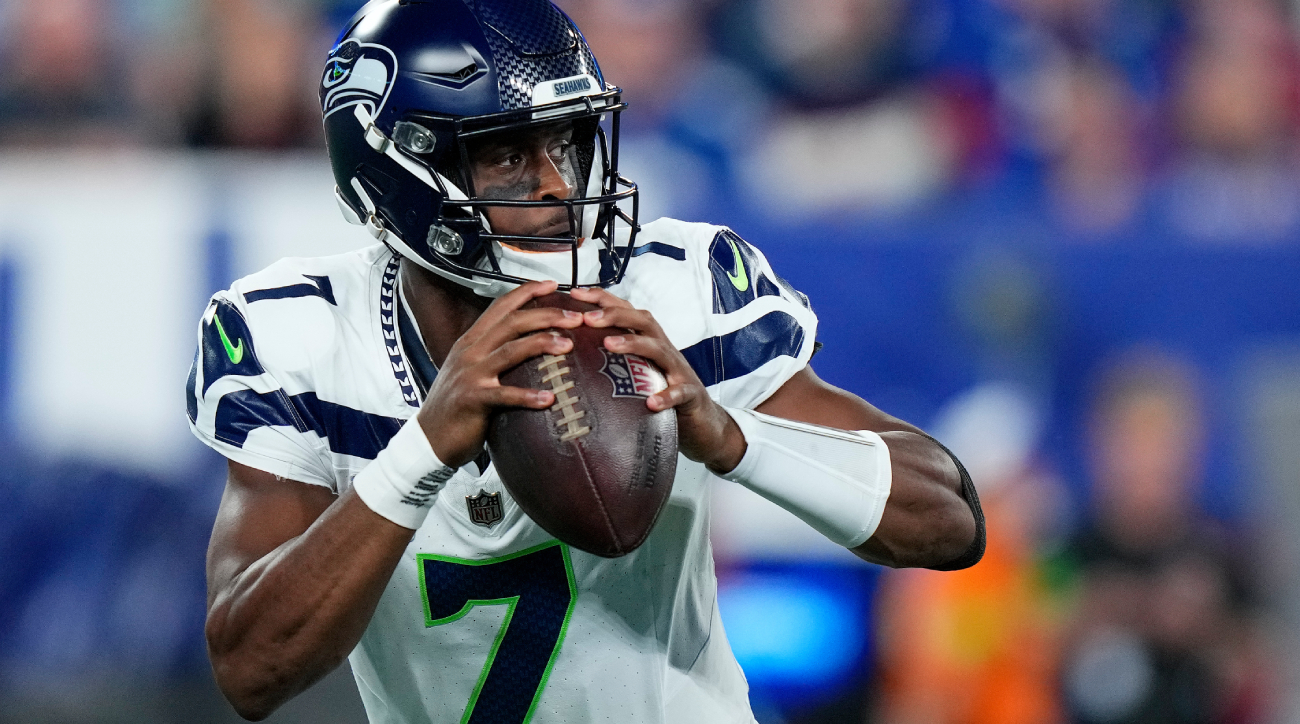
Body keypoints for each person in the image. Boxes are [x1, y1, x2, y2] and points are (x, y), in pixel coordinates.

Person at [185, 1, 984, 721]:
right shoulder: (301, 339)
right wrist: (421, 452)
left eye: (566, 141)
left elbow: (949, 521)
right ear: (395, 173)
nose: (559, 185)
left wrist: (728, 433)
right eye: (506, 156)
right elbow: (252, 668)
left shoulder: (671, 289)